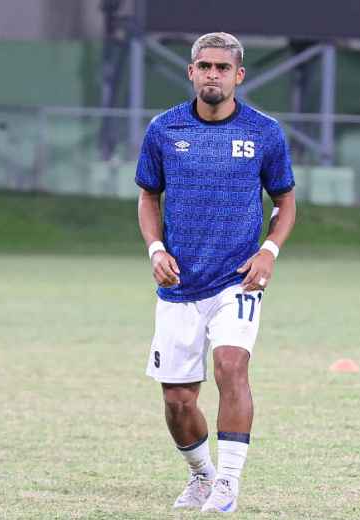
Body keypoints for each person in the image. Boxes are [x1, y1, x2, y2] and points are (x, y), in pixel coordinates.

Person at [135, 32, 296, 514]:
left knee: (231, 365)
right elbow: (148, 196)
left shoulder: (264, 133)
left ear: (238, 75)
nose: (212, 75)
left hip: (237, 279)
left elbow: (285, 201)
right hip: (180, 282)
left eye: (222, 68)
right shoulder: (163, 130)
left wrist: (269, 251)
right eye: (204, 66)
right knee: (179, 401)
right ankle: (202, 476)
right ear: (190, 72)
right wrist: (155, 249)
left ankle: (227, 482)